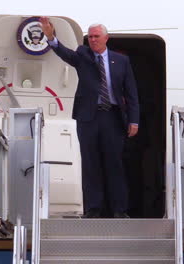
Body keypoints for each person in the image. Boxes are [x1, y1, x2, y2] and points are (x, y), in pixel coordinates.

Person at [41, 17, 139, 218]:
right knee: (90, 163)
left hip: (113, 117)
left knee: (115, 164)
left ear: (106, 38)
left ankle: (119, 210)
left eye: (96, 36)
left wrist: (134, 120)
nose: (93, 40)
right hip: (88, 118)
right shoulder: (83, 55)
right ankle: (93, 209)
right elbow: (64, 53)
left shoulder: (121, 60)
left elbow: (131, 92)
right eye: (90, 36)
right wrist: (51, 37)